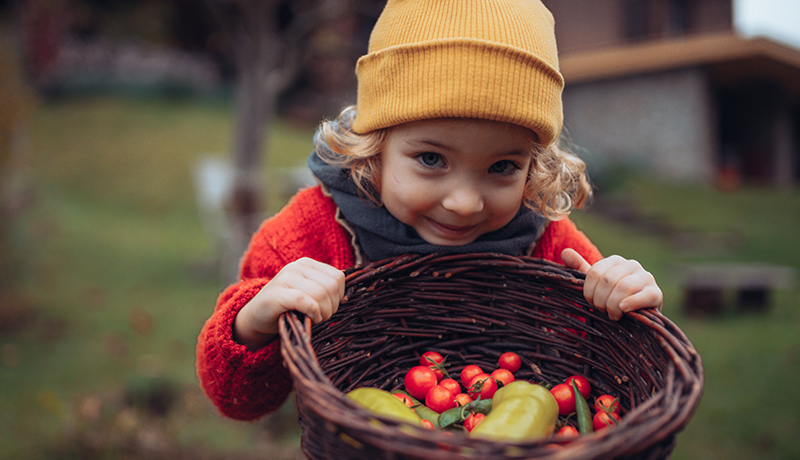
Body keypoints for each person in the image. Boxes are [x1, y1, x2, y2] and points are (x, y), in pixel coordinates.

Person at [196, 0, 663, 421]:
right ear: (373, 146)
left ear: (534, 168)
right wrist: (253, 324)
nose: (464, 203)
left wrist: (622, 295)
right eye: (431, 160)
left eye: (502, 166)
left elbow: (609, 372)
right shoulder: (306, 237)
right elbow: (237, 400)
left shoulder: (548, 243)